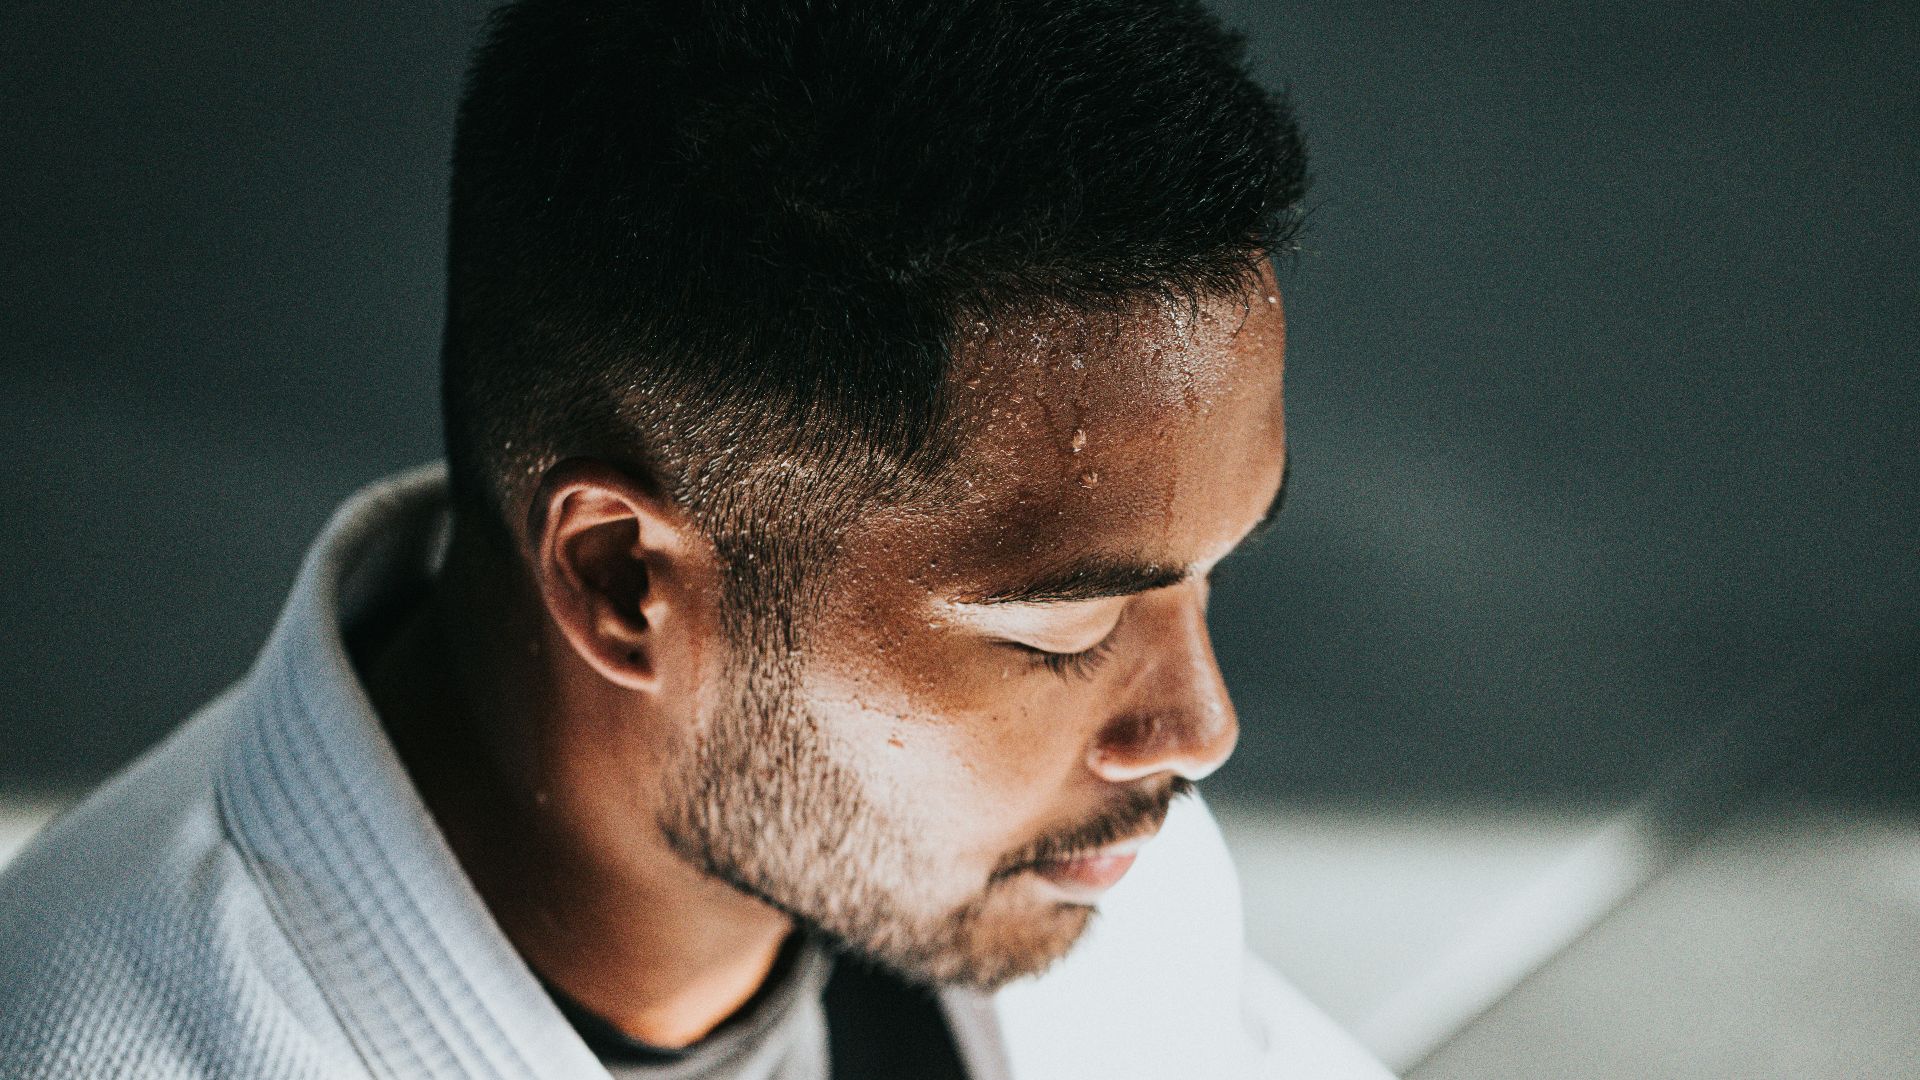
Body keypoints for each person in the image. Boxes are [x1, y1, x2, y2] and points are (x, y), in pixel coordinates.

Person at [0, 1, 1393, 1077]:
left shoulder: (1085, 881)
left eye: (1213, 571)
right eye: (1064, 631)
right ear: (622, 581)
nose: (1197, 728)